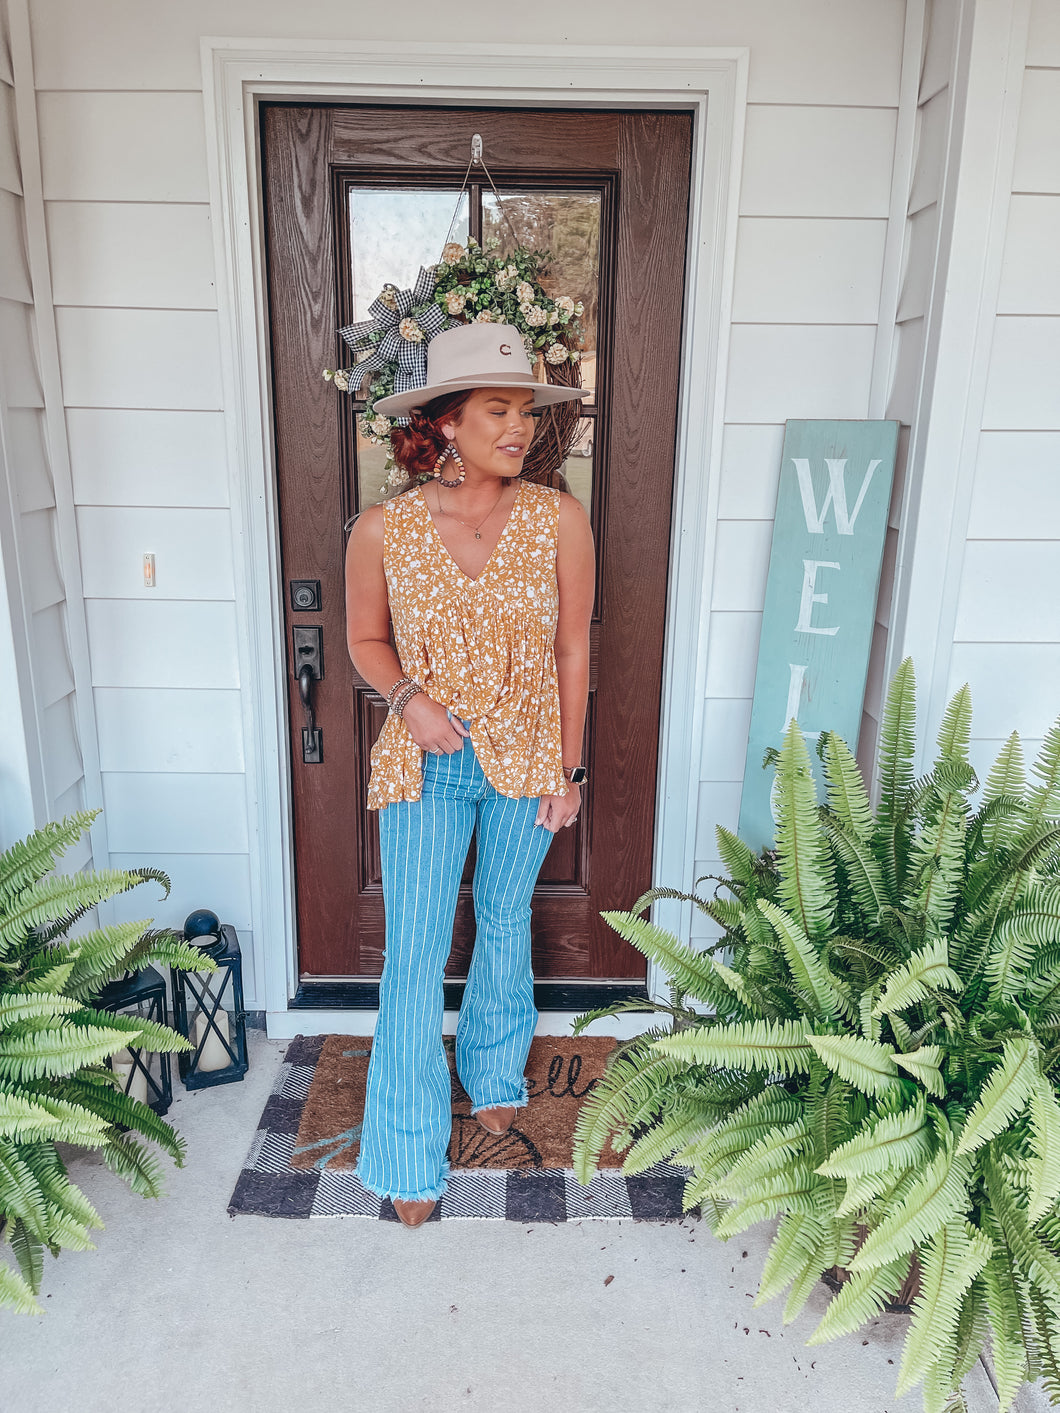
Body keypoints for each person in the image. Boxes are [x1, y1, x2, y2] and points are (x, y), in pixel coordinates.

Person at [344, 322, 595, 1227]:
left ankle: (493, 1068)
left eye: (526, 409)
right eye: (498, 409)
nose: (519, 426)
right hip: (424, 762)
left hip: (528, 759)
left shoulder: (560, 518)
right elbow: (364, 641)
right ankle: (408, 1146)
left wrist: (570, 766)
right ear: (447, 422)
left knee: (502, 918)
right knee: (410, 954)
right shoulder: (384, 530)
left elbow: (574, 648)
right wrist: (407, 698)